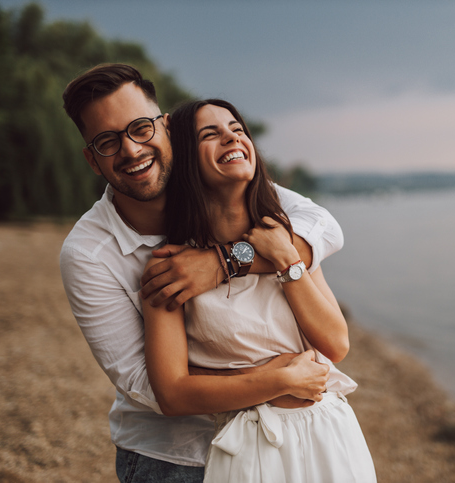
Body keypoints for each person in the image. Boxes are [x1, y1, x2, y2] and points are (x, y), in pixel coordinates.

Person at [59, 63, 346, 482]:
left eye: (141, 128)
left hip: (284, 441)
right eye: (107, 141)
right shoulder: (89, 254)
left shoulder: (222, 184)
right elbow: (149, 386)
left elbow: (320, 227)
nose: (132, 150)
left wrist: (224, 263)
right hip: (173, 458)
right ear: (91, 158)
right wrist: (279, 376)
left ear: (167, 128)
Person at [142, 98, 376, 482]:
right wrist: (279, 380)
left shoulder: (286, 239)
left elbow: (335, 344)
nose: (231, 138)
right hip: (250, 447)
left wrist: (286, 260)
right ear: (184, 156)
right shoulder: (172, 268)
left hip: (329, 431)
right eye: (210, 134)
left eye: (237, 129)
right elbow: (172, 395)